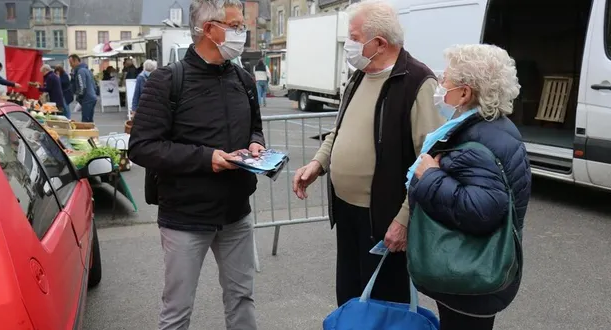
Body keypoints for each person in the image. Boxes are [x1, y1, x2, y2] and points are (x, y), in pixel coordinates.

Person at [292, 0, 445, 307]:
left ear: (378, 43)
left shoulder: (416, 81)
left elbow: (430, 160)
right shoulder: (361, 74)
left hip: (384, 218)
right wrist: (318, 163)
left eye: (353, 36)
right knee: (350, 299)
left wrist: (404, 220)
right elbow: (340, 128)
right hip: (348, 211)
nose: (347, 44)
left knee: (383, 306)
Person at [127, 0, 264, 329]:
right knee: (177, 310)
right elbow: (142, 147)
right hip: (185, 218)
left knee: (242, 298)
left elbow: (255, 125)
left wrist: (256, 143)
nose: (241, 33)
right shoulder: (167, 80)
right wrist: (208, 159)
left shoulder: (243, 79)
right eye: (235, 26)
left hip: (236, 213)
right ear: (209, 29)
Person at [407, 44, 531, 330]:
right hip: (476, 271)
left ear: (465, 93)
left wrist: (429, 177)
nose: (440, 84)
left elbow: (481, 210)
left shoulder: (476, 141)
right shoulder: (492, 127)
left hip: (470, 276)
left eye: (446, 79)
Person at [68, 54, 98, 122]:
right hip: (92, 97)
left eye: (71, 63)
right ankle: (91, 131)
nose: (70, 65)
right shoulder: (87, 70)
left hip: (87, 98)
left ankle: (87, 132)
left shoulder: (80, 71)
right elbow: (94, 85)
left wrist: (79, 96)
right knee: (90, 120)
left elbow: (82, 87)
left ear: (76, 61)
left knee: (85, 120)